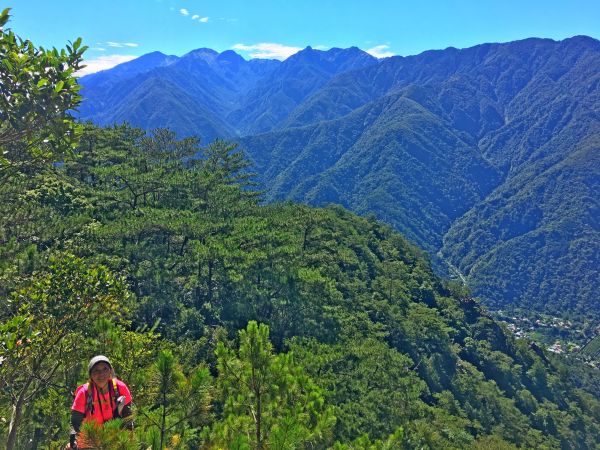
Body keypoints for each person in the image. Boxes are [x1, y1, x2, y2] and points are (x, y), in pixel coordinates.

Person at [67, 355, 133, 449]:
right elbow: (75, 423)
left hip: (114, 437)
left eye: (105, 369)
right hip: (90, 441)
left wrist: (128, 442)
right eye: (96, 371)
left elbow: (128, 418)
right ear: (90, 375)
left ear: (110, 371)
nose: (101, 374)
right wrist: (74, 442)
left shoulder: (120, 388)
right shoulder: (84, 392)